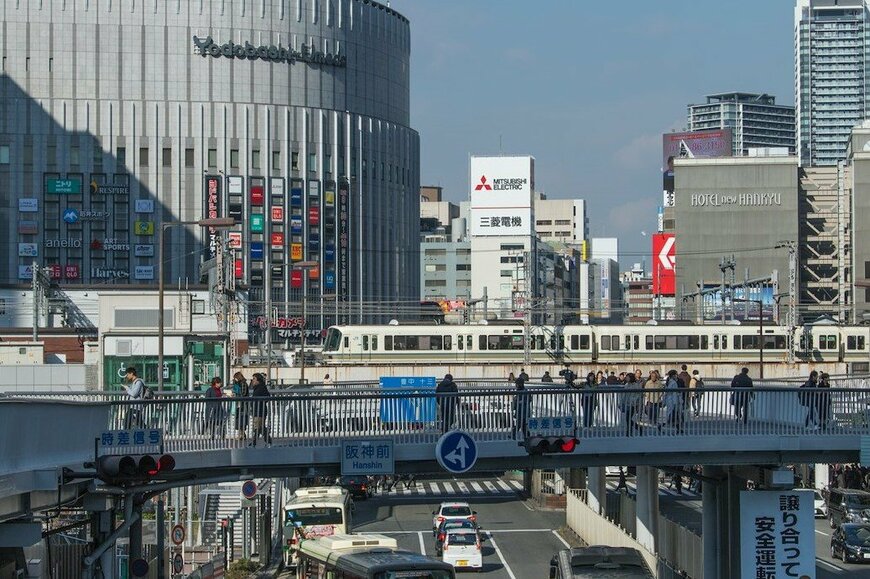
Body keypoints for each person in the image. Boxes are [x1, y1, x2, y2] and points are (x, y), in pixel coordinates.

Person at [250, 372, 273, 447]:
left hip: (260, 410)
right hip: (257, 410)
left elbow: (267, 397)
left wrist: (260, 402)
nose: (252, 381)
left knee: (258, 427)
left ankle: (254, 442)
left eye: (254, 379)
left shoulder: (261, 387)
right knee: (261, 427)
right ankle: (268, 441)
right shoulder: (257, 388)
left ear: (258, 380)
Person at [231, 372, 250, 441]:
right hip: (239, 404)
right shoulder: (238, 384)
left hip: (243, 404)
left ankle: (242, 434)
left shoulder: (243, 384)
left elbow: (243, 394)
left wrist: (236, 392)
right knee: (239, 419)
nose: (234, 379)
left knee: (242, 419)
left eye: (235, 378)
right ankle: (241, 434)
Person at [514, 373, 529, 437]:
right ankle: (527, 435)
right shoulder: (521, 390)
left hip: (522, 410)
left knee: (520, 423)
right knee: (522, 424)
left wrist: (521, 401)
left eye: (516, 384)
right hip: (520, 410)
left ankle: (513, 434)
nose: (516, 385)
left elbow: (528, 399)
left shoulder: (524, 391)